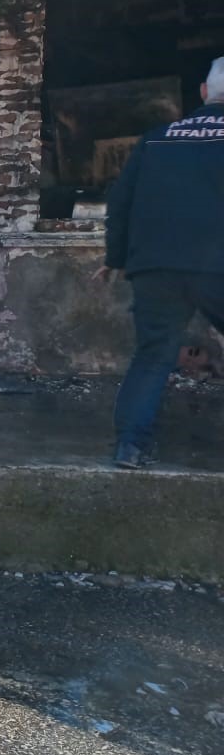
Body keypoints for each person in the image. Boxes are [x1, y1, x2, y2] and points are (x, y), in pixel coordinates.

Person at [100, 56, 224, 469]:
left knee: (152, 355)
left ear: (204, 93)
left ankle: (130, 448)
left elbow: (120, 203)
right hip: (218, 265)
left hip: (156, 266)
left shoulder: (156, 138)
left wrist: (115, 258)